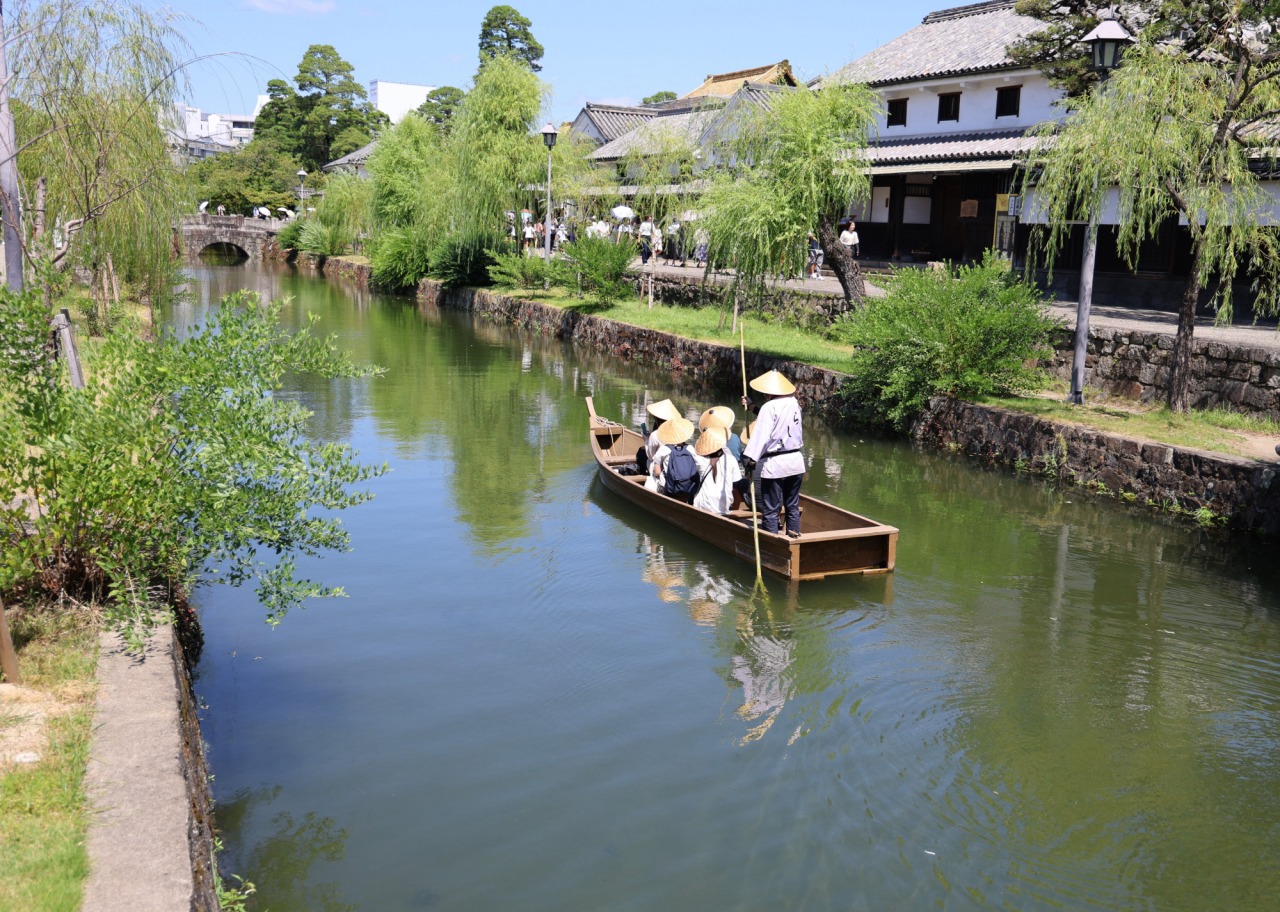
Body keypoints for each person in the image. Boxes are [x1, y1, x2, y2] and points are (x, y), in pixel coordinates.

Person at [741, 370, 805, 537]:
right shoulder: (794, 403)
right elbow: (778, 421)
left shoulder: (769, 407)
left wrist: (749, 458)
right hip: (796, 463)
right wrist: (752, 407)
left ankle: (771, 544)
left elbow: (762, 434)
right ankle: (794, 536)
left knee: (771, 509)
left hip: (776, 466)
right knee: (792, 504)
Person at [692, 427, 743, 514]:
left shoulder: (700, 461)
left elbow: (696, 451)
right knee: (738, 485)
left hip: (702, 506)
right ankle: (734, 511)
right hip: (724, 508)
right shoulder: (730, 459)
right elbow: (736, 484)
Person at [645, 415, 695, 495]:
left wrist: (657, 476)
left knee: (652, 479)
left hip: (668, 489)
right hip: (689, 488)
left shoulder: (664, 450)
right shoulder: (691, 449)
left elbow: (657, 472)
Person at [639, 398, 681, 476]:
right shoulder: (677, 433)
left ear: (658, 420)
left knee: (641, 454)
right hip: (675, 465)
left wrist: (646, 439)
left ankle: (643, 476)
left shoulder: (655, 435)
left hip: (659, 468)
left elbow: (650, 456)